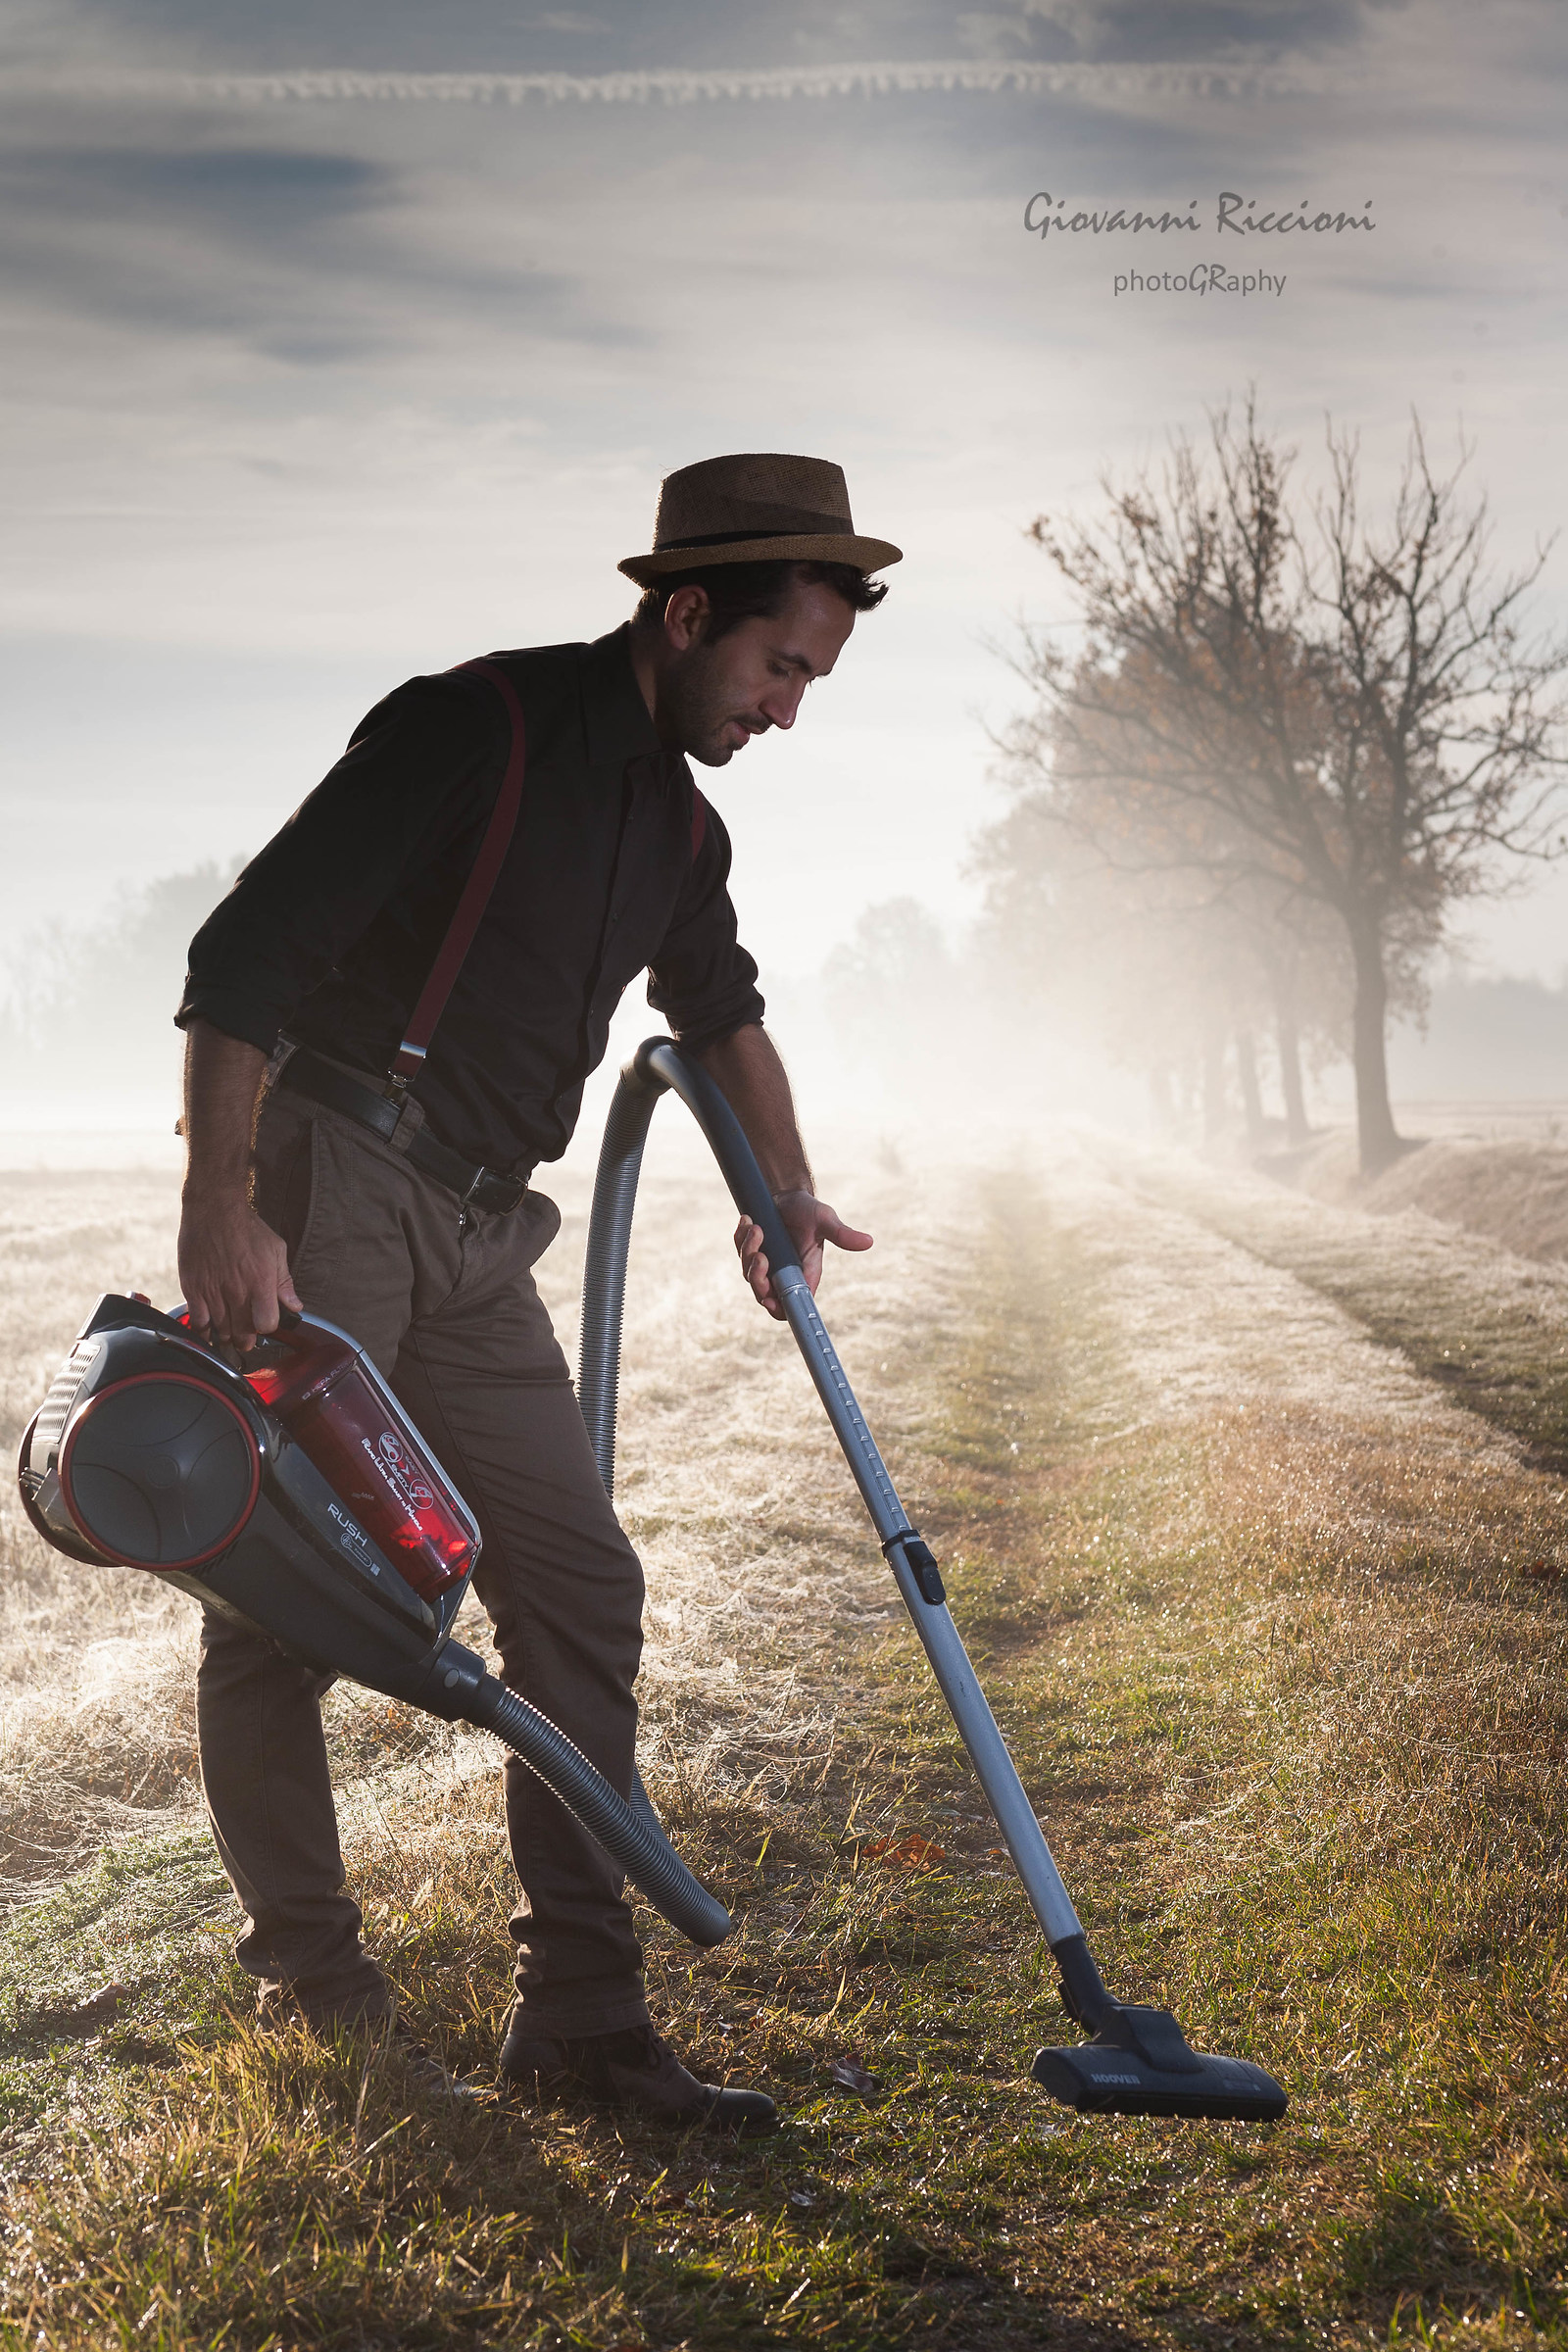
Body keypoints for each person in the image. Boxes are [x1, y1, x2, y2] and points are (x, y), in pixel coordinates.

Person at [173, 451, 901, 2131]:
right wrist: (225, 1200)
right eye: (779, 666)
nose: (789, 710)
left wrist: (780, 1188)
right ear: (688, 612)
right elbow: (244, 958)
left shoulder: (681, 828)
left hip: (486, 1238)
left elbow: (722, 1013)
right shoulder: (474, 728)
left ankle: (580, 2020)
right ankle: (316, 1996)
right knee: (291, 1598)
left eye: (813, 680)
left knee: (578, 1588)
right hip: (336, 1187)